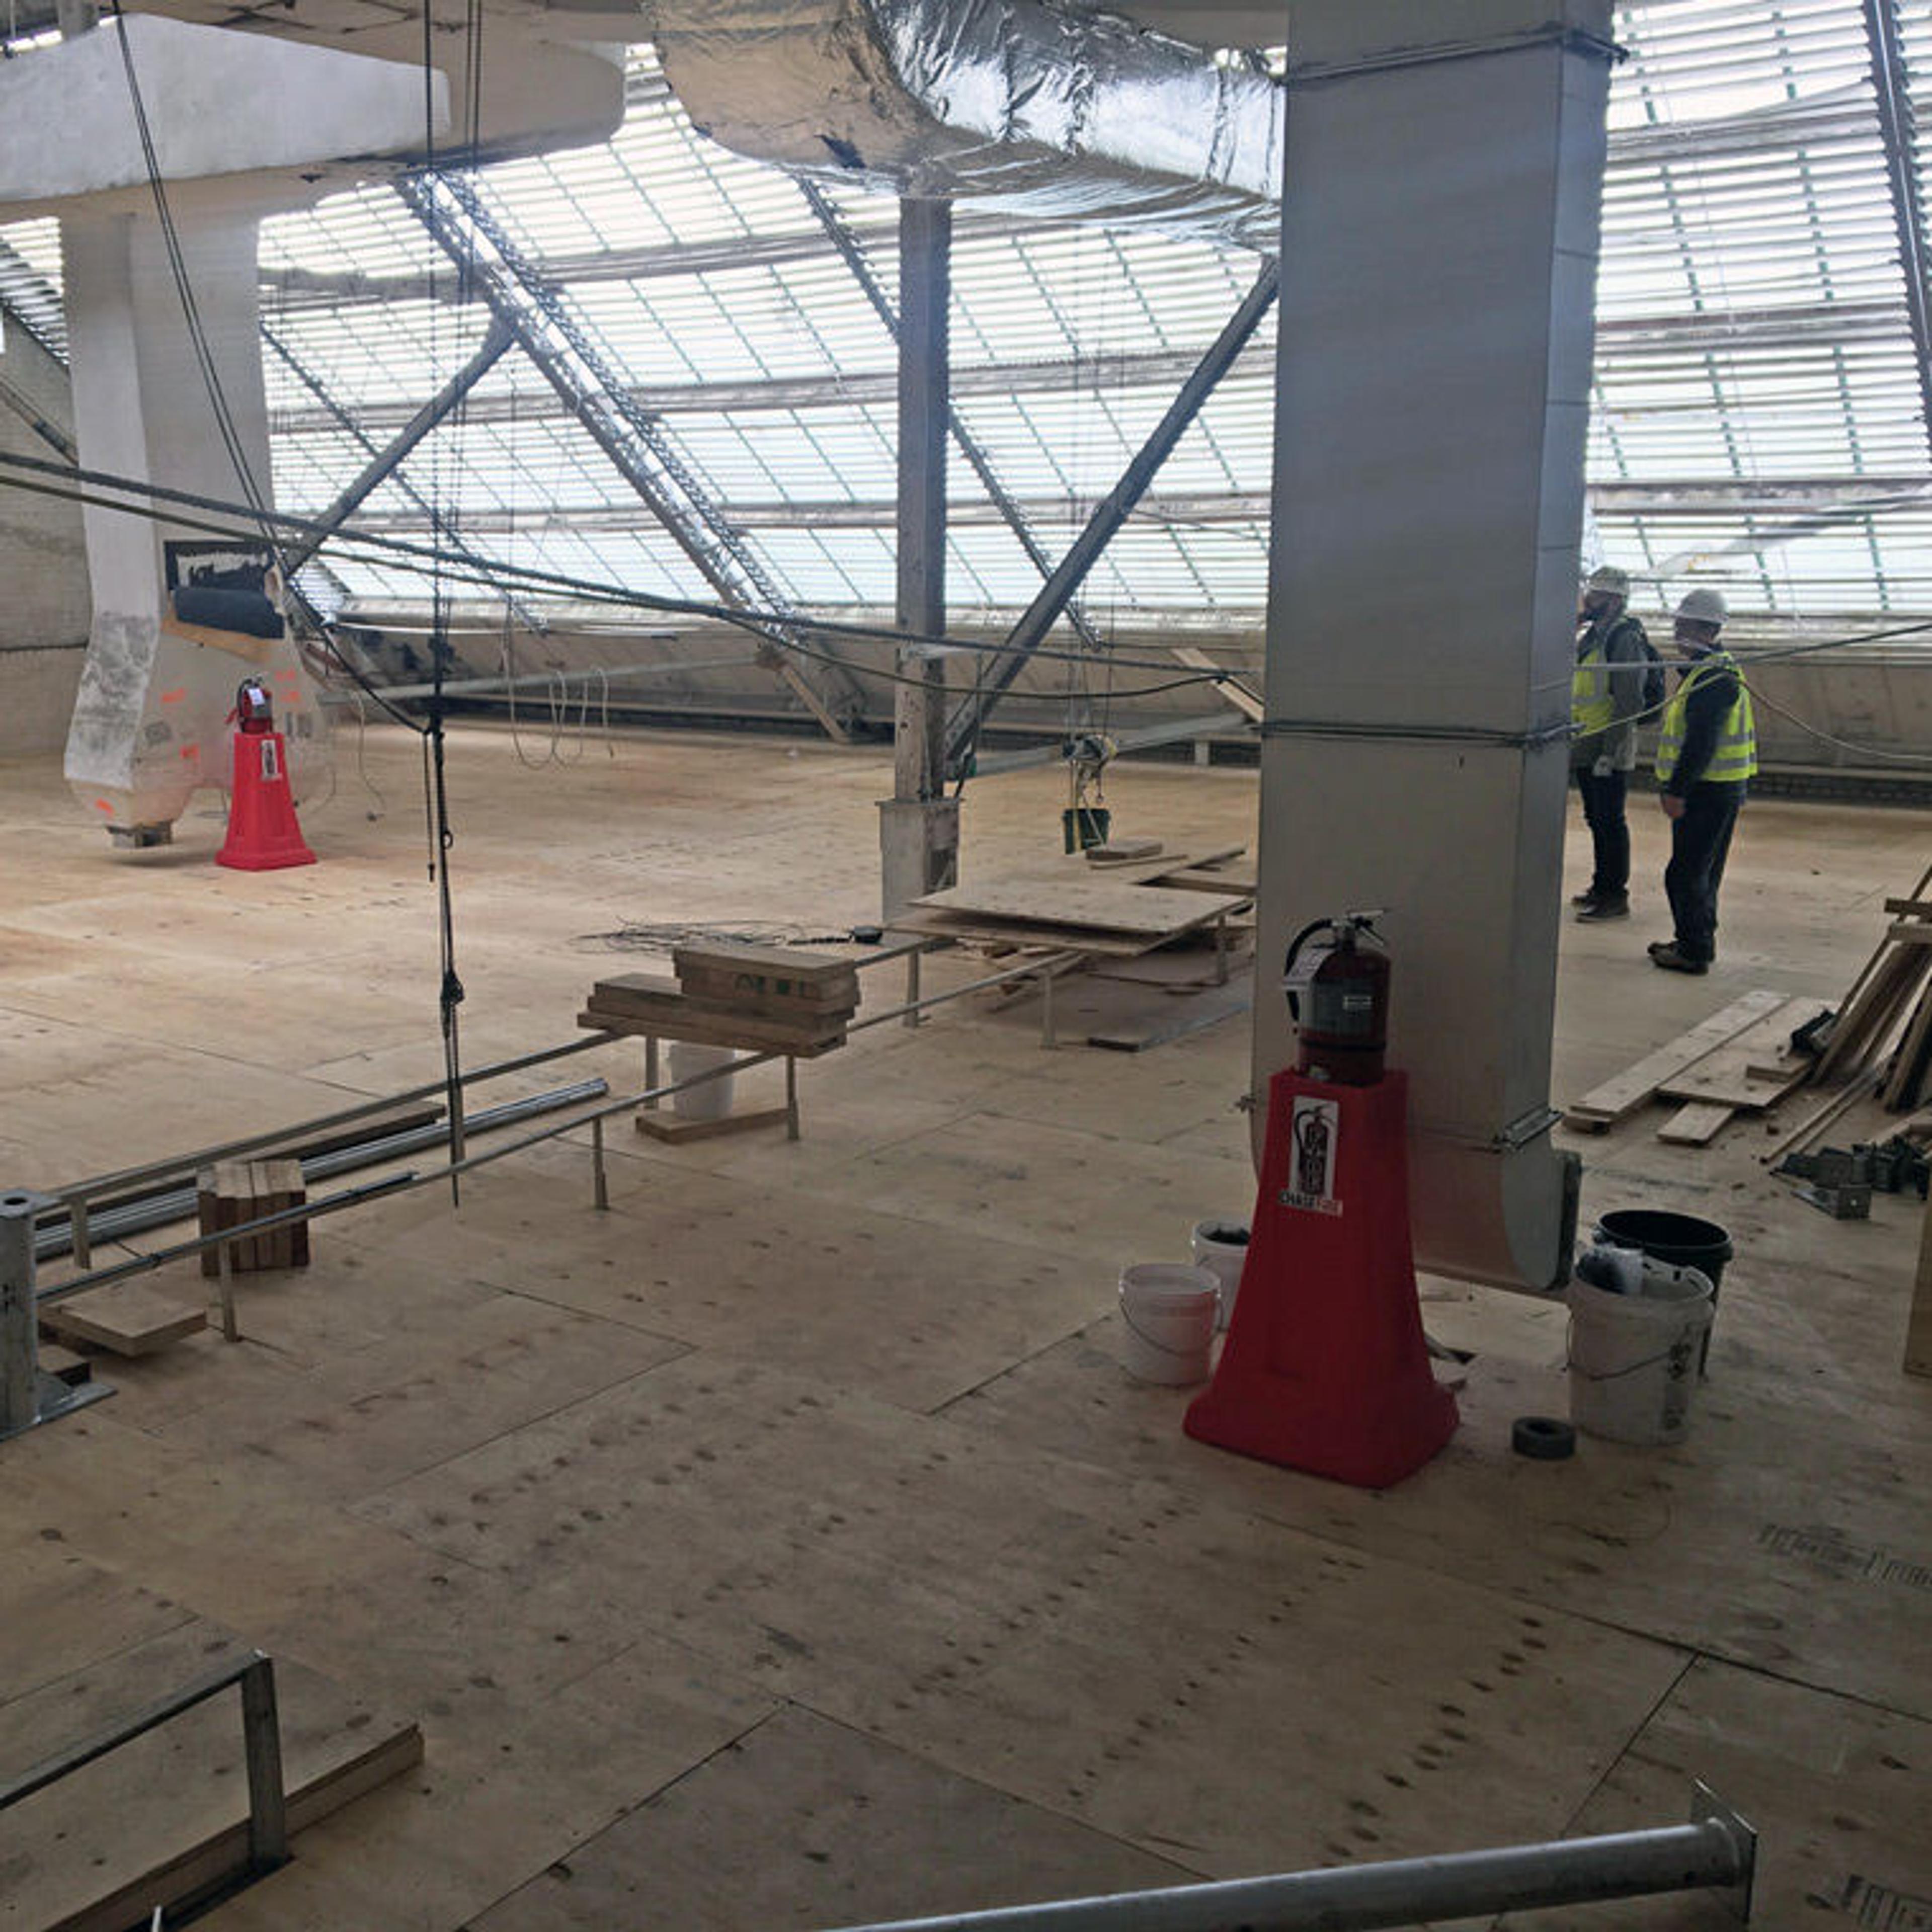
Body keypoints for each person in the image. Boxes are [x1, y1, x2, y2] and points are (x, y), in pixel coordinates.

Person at [1650, 587, 1756, 975]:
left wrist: (1677, 790)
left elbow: (1701, 741)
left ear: (1703, 627)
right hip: (1718, 788)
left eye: (1682, 623)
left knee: (1686, 873)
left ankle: (1694, 951)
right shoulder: (1714, 668)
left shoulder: (1712, 677)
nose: (1676, 629)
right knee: (1701, 871)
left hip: (1707, 791)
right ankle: (1693, 940)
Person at [1570, 564, 1651, 921]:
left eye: (1598, 594)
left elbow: (1630, 699)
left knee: (1610, 821)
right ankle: (1601, 886)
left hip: (1608, 746)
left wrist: (1610, 751)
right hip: (1587, 742)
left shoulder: (1624, 637)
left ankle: (1615, 896)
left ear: (1616, 600)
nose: (1590, 598)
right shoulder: (1593, 636)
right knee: (1596, 819)